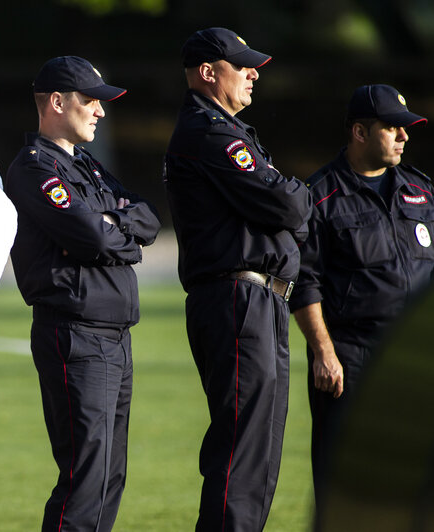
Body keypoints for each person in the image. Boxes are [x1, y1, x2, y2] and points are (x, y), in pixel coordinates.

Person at [163, 28, 313, 531]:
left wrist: (290, 203)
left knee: (263, 450)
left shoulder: (229, 131)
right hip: (237, 298)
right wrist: (293, 198)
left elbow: (286, 208)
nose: (254, 72)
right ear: (208, 72)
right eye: (242, 64)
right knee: (242, 451)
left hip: (261, 300)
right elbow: (288, 203)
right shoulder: (209, 132)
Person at [5, 55, 160, 532]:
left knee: (111, 475)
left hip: (113, 335)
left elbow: (149, 220)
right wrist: (113, 226)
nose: (100, 111)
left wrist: (112, 224)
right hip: (75, 335)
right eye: (90, 100)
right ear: (56, 102)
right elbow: (92, 237)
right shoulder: (33, 169)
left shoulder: (87, 165)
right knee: (85, 477)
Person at [289, 84, 432, 518]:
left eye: (406, 129)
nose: (405, 137)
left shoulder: (422, 192)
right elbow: (304, 282)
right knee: (346, 482)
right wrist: (324, 353)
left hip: (414, 357)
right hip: (352, 356)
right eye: (393, 129)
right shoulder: (320, 196)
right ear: (360, 132)